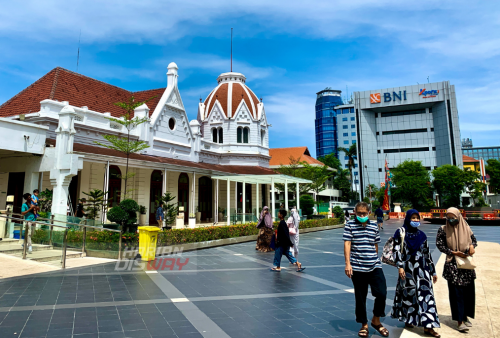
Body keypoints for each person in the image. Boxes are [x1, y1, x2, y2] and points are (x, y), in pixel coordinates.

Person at [391, 210, 440, 337]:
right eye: (413, 218)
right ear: (408, 219)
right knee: (409, 296)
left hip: (422, 270)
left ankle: (429, 326)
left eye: (417, 218)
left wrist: (433, 271)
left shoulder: (422, 235)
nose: (416, 220)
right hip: (407, 270)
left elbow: (427, 253)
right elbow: (396, 251)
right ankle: (409, 319)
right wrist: (400, 266)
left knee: (426, 297)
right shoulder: (400, 233)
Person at [344, 202, 388, 337]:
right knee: (360, 296)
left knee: (381, 292)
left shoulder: (374, 225)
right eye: (359, 213)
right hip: (357, 267)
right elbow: (347, 243)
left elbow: (375, 245)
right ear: (355, 213)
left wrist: (374, 258)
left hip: (374, 265)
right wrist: (348, 264)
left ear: (369, 213)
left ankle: (376, 320)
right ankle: (364, 324)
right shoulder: (350, 225)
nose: (362, 215)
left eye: (364, 213)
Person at [436, 207, 477, 333]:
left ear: (458, 216)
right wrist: (453, 252)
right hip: (452, 265)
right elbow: (440, 245)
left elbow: (474, 241)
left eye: (453, 217)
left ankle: (465, 316)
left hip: (466, 265)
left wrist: (471, 247)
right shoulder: (443, 229)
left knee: (468, 292)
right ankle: (460, 321)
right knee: (456, 293)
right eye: (448, 217)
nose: (450, 219)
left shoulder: (466, 227)